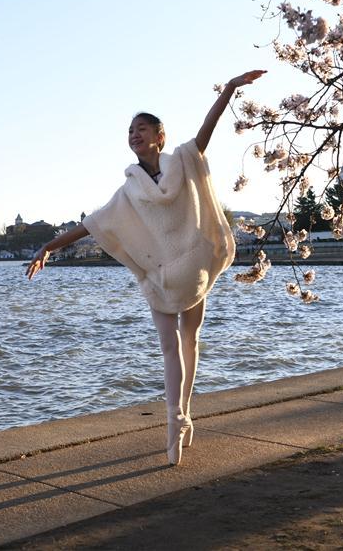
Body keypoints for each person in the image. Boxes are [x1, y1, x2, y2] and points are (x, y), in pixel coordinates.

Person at [26, 70, 266, 466]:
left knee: (185, 344)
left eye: (141, 129)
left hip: (188, 270)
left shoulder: (184, 161)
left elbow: (209, 129)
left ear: (160, 136)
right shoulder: (130, 189)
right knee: (178, 347)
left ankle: (179, 420)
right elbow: (93, 224)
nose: (133, 135)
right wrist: (49, 246)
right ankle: (177, 423)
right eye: (129, 131)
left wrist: (228, 90)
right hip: (171, 274)